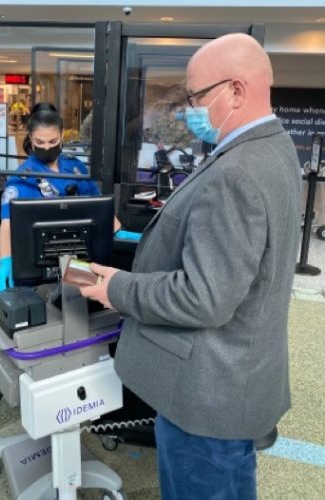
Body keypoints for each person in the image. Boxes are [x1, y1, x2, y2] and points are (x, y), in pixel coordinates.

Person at [79, 33, 301, 500]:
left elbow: (204, 297)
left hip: (206, 395)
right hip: (240, 382)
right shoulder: (276, 150)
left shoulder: (236, 172)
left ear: (236, 90)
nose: (189, 108)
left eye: (196, 95)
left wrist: (117, 288)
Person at [0, 102, 102, 292]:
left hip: (78, 249)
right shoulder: (22, 178)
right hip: (39, 255)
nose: (46, 147)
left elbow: (99, 206)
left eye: (52, 141)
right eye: (40, 143)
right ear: (30, 139)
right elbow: (7, 224)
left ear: (61, 136)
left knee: (91, 296)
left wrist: (121, 233)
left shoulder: (75, 167)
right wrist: (6, 262)